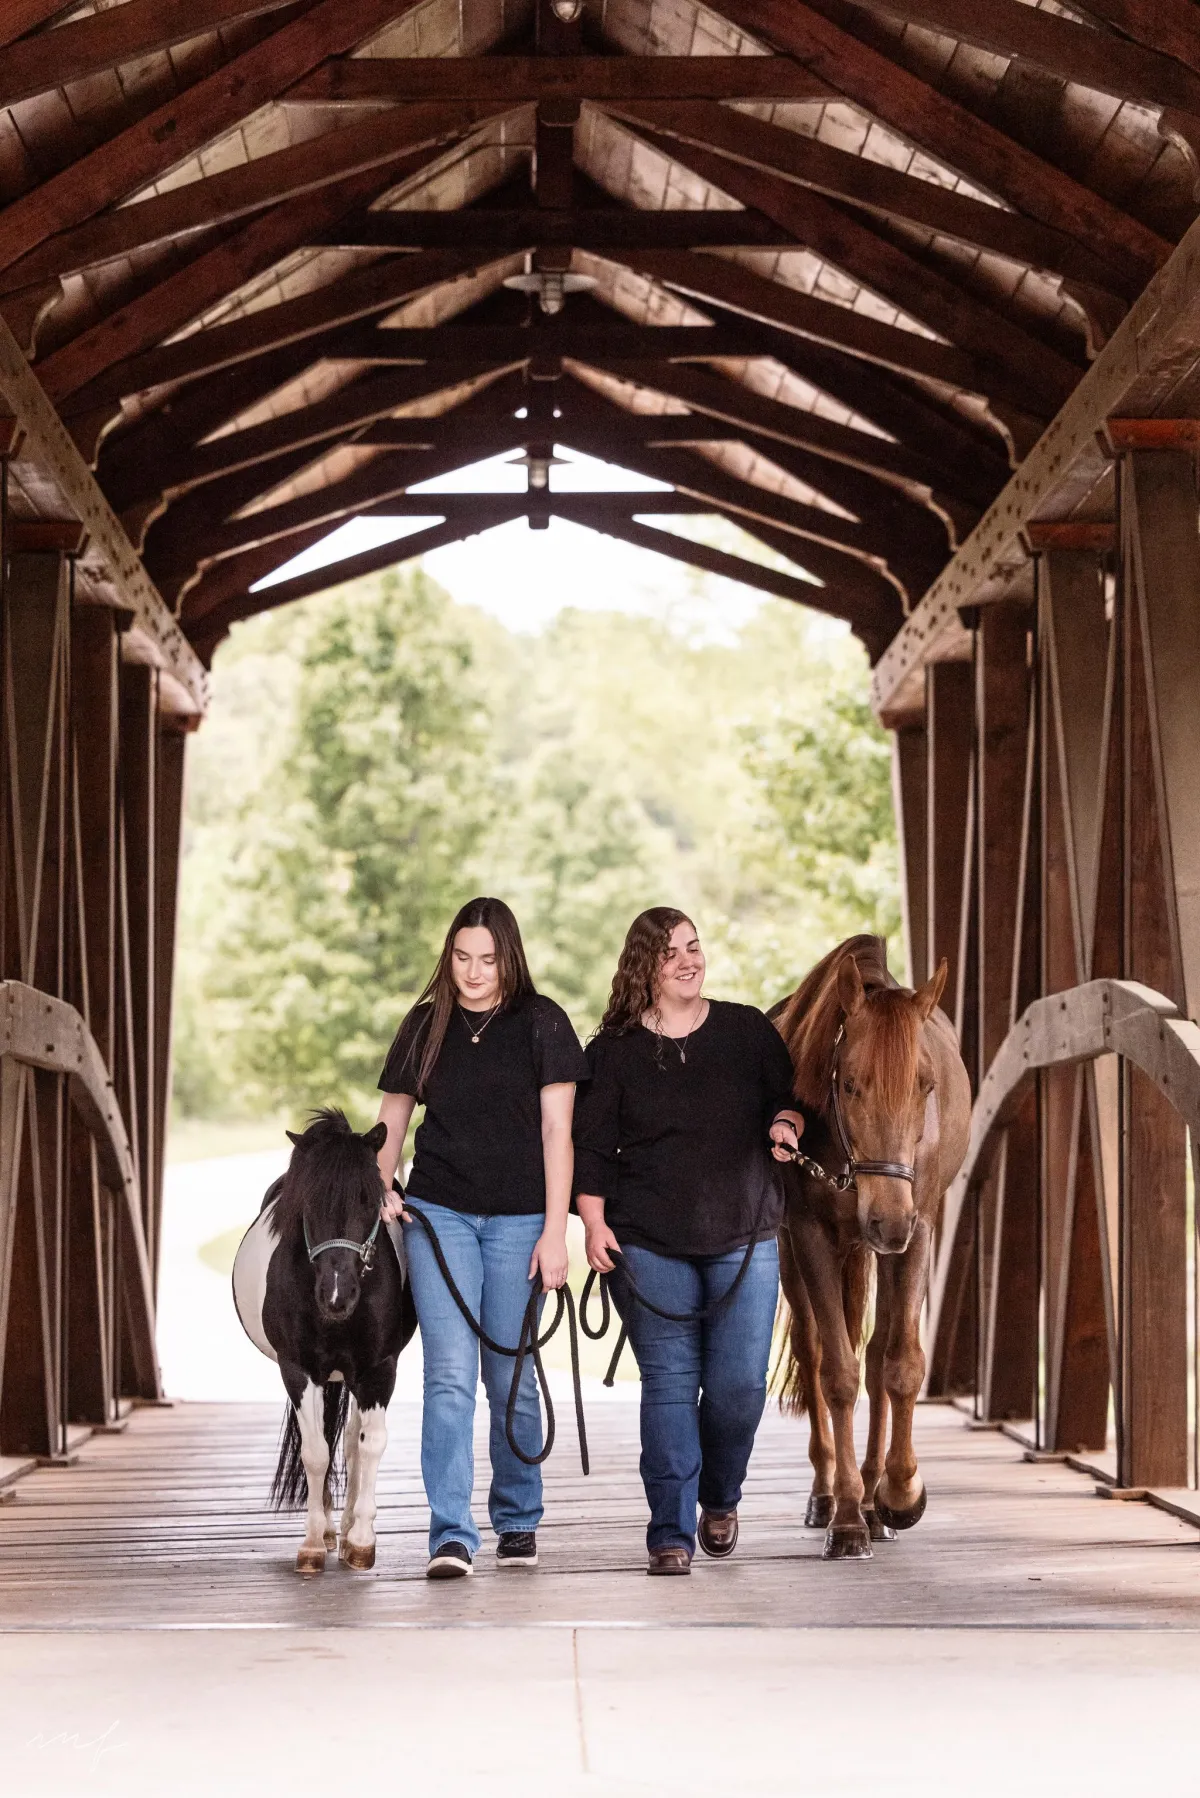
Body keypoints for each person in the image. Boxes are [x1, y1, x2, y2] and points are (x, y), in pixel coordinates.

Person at [573, 908, 806, 1575]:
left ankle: (720, 1496)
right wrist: (593, 1223)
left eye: (694, 947)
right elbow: (590, 1150)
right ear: (643, 967)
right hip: (647, 1243)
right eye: (670, 952)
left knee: (738, 1388)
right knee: (671, 1385)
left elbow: (790, 1100)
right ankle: (669, 1534)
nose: (688, 960)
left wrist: (787, 1126)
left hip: (746, 1233)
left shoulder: (745, 1030)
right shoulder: (612, 1051)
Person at [375, 897, 587, 1579]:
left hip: (523, 1220)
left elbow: (560, 1133)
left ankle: (518, 1517)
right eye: (462, 957)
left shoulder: (542, 1023)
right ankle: (450, 1533)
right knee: (446, 1377)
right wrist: (384, 1186)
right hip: (441, 1218)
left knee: (513, 1377)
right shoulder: (423, 1025)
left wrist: (557, 1233)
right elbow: (392, 1125)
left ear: (508, 958)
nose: (473, 971)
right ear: (450, 956)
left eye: (487, 959)